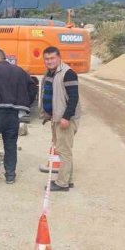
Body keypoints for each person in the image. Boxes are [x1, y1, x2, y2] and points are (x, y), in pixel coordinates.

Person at [0, 48, 38, 184]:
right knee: (10, 144)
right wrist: (26, 103)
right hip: (13, 115)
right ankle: (10, 176)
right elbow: (32, 87)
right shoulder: (19, 71)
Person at [39, 46, 80, 192]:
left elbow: (74, 97)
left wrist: (66, 117)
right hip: (56, 118)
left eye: (52, 58)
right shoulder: (50, 73)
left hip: (64, 120)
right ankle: (68, 180)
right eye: (46, 59)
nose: (49, 61)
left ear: (59, 58)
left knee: (64, 151)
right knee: (63, 150)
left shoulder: (68, 73)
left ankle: (62, 183)